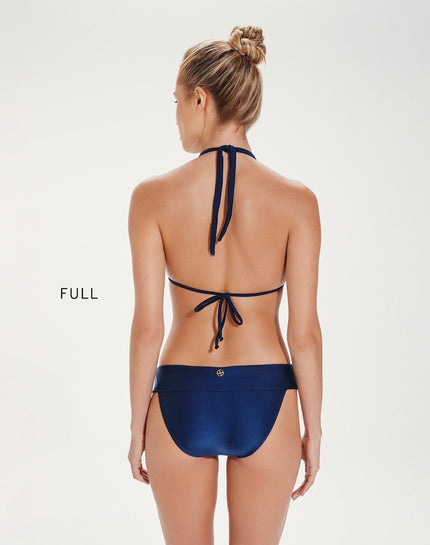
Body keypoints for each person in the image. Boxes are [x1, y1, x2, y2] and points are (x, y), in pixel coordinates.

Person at [128, 25, 322, 545]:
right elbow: (303, 334)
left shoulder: (151, 197)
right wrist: (314, 429)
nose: (175, 115)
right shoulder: (297, 201)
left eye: (176, 101)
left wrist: (136, 425)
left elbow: (148, 329)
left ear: (200, 98)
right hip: (267, 396)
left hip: (181, 396)